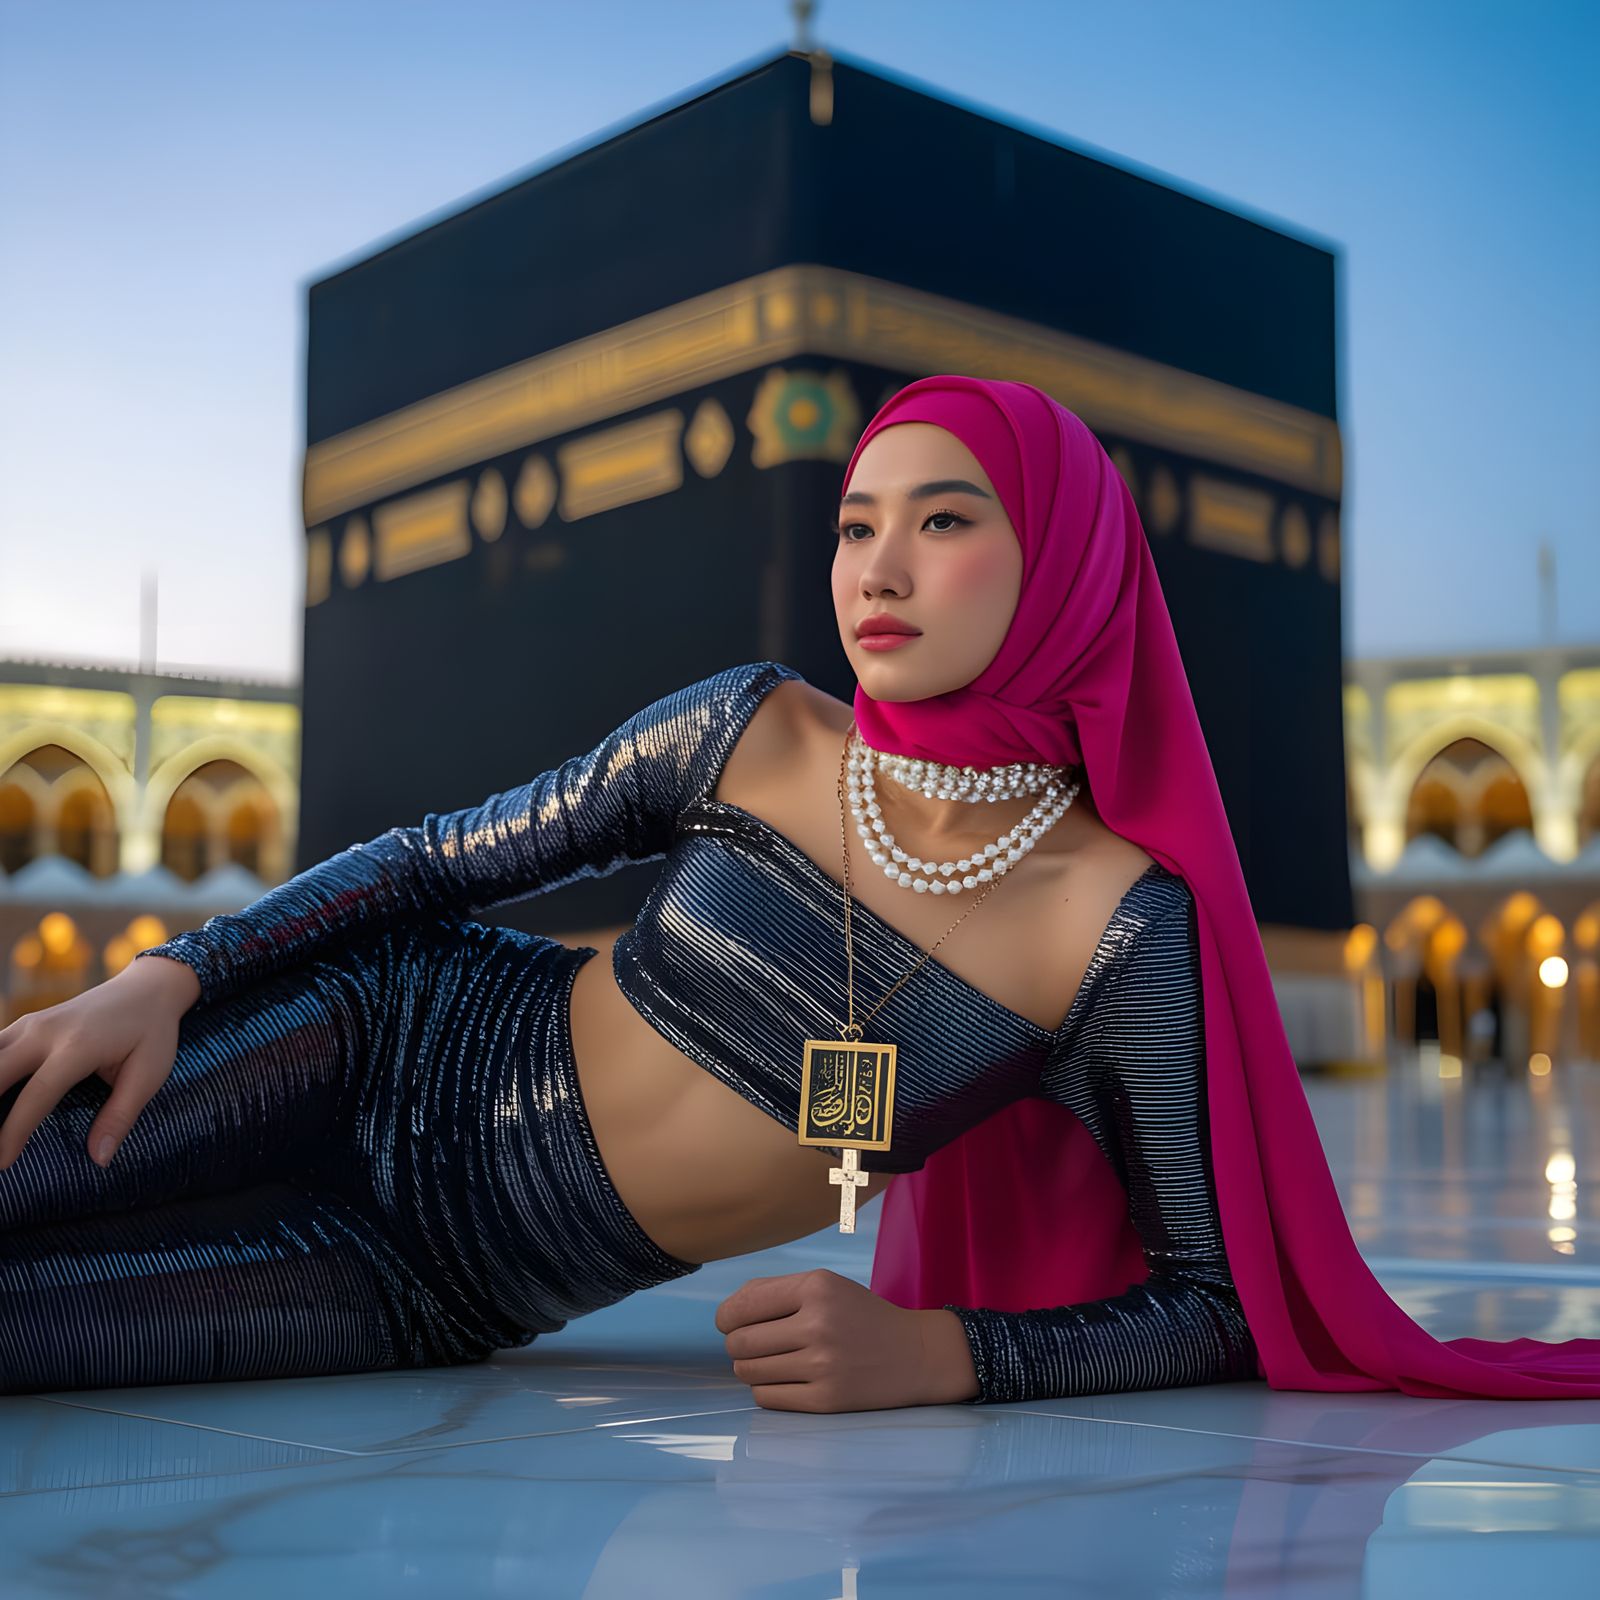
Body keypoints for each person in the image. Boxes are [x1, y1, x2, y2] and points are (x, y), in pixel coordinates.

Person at [1, 376, 1596, 1409]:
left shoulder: (1113, 925)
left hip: (440, 1285)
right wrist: (178, 975)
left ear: (1066, 565)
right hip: (375, 1037)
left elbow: (1217, 1307)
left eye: (946, 521)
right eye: (856, 526)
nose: (878, 570)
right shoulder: (755, 730)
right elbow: (438, 859)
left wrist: (943, 1356)